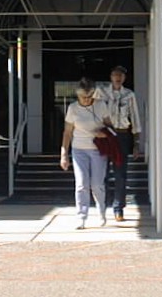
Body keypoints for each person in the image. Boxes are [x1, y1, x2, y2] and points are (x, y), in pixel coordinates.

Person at [60, 77, 112, 230]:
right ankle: (81, 217)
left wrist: (104, 134)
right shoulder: (73, 108)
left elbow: (110, 127)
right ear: (78, 95)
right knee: (82, 183)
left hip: (98, 149)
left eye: (90, 96)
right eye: (83, 96)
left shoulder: (101, 105)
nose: (87, 100)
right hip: (79, 149)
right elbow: (67, 132)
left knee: (97, 184)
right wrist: (64, 154)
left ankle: (101, 211)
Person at [95, 65, 141, 222]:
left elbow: (135, 118)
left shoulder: (129, 94)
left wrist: (136, 142)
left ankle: (118, 207)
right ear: (111, 76)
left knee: (120, 173)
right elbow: (94, 112)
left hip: (122, 134)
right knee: (102, 173)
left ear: (124, 78)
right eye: (115, 74)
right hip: (105, 134)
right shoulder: (101, 93)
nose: (118, 78)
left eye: (120, 75)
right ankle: (102, 206)